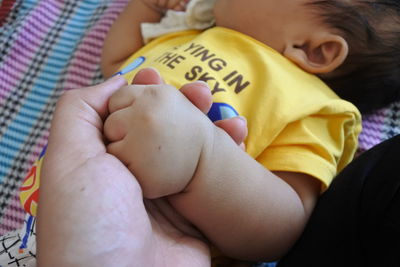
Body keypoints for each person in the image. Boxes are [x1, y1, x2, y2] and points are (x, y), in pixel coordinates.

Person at [98, 0, 390, 262]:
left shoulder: (313, 107)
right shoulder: (190, 35)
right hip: (61, 194)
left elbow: (280, 229)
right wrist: (148, 7)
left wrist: (204, 159)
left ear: (314, 49)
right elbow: (117, 65)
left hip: (146, 244)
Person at [36, 68, 248, 267]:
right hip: (43, 229)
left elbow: (276, 239)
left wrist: (204, 159)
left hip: (55, 234)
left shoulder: (281, 85)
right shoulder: (174, 30)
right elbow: (113, 58)